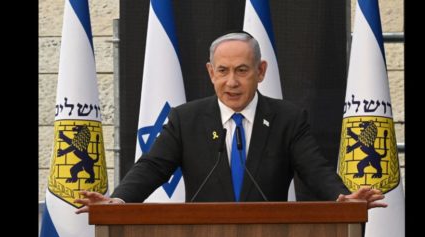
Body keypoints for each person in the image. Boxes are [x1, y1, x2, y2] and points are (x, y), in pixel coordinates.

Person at [75, 32, 386, 213]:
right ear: (211, 73)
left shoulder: (288, 119)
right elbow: (152, 167)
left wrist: (341, 197)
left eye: (242, 70)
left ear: (261, 71)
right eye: (223, 71)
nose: (232, 82)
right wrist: (119, 199)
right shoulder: (186, 119)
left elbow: (315, 169)